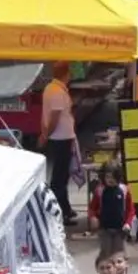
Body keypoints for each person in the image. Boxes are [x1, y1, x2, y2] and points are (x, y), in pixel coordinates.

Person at [42, 62, 80, 225]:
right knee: (59, 178)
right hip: (60, 138)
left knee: (62, 176)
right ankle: (61, 212)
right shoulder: (56, 92)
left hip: (62, 137)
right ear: (65, 74)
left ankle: (66, 208)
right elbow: (55, 118)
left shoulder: (54, 89)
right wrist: (46, 134)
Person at [90, 165, 134, 257]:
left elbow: (131, 209)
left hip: (120, 229)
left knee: (119, 256)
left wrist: (128, 223)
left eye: (113, 177)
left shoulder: (124, 190)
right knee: (106, 255)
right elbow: (92, 208)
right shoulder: (100, 190)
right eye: (108, 177)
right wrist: (93, 217)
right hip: (104, 229)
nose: (110, 179)